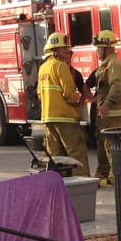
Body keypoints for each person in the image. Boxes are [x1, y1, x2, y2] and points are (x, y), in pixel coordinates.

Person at [38, 32, 88, 176]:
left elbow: (40, 94)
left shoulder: (42, 68)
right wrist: (76, 105)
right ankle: (82, 181)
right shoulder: (61, 66)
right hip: (66, 118)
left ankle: (58, 182)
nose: (67, 50)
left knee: (54, 154)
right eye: (63, 48)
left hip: (48, 118)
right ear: (55, 50)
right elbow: (69, 93)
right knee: (76, 151)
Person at [87, 30, 121, 185]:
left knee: (112, 144)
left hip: (114, 114)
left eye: (99, 48)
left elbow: (117, 87)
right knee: (104, 143)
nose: (97, 51)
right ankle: (106, 171)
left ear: (108, 48)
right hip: (107, 114)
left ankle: (115, 176)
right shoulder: (105, 65)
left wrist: (106, 105)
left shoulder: (114, 64)